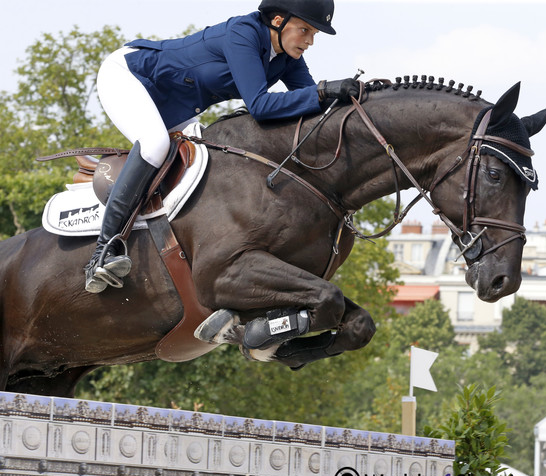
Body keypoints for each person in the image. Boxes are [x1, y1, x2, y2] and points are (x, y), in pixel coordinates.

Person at [87, 0, 359, 293]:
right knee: (155, 146)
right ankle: (103, 251)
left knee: (205, 158)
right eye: (305, 30)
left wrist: (351, 99)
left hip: (175, 107)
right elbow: (261, 106)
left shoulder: (285, 57)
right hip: (132, 77)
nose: (310, 41)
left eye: (314, 34)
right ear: (278, 20)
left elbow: (313, 102)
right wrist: (323, 91)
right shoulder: (243, 33)